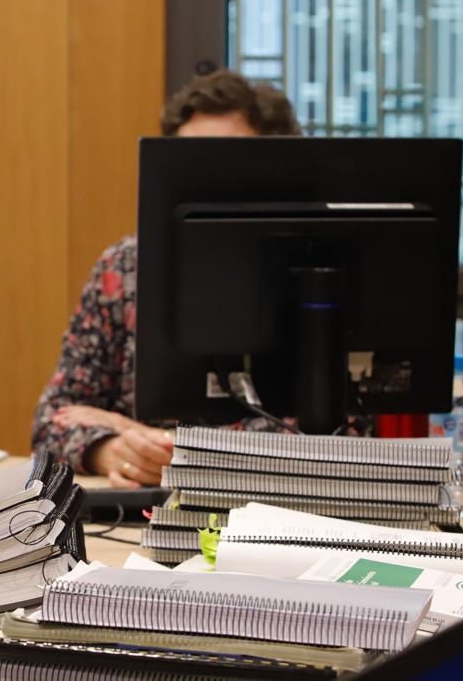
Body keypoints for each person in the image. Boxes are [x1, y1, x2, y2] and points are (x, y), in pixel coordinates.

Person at [31, 70, 300, 488]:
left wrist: (165, 444)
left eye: (227, 162)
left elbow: (337, 433)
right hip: (141, 508)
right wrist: (108, 449)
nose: (208, 180)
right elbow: (52, 421)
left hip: (279, 511)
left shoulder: (315, 272)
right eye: (190, 163)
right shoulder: (125, 267)